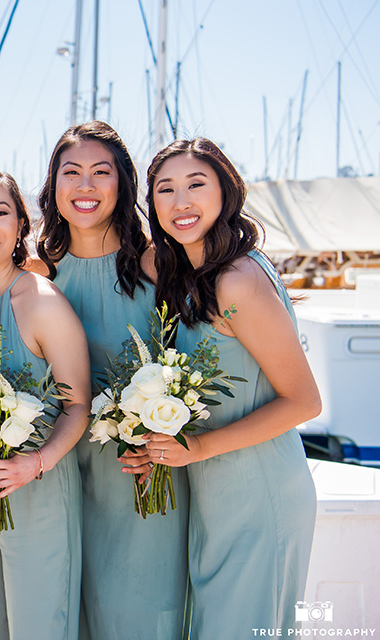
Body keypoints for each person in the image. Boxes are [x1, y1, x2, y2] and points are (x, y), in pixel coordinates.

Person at [144, 138, 319, 637]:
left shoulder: (237, 279)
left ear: (226, 189)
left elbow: (305, 401)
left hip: (258, 490)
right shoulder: (190, 270)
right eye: (165, 189)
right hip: (214, 489)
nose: (181, 203)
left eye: (196, 185)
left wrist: (196, 447)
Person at [28, 121, 190, 640]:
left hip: (137, 466)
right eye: (70, 173)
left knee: (137, 609)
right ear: (53, 185)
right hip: (57, 466)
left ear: (123, 183)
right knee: (60, 607)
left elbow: (187, 363)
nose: (85, 187)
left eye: (102, 173)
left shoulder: (156, 262)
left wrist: (163, 440)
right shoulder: (39, 269)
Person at [0, 166, 90, 639]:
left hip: (40, 490)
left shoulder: (42, 301)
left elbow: (78, 405)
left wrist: (37, 463)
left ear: (20, 226)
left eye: (0, 213)